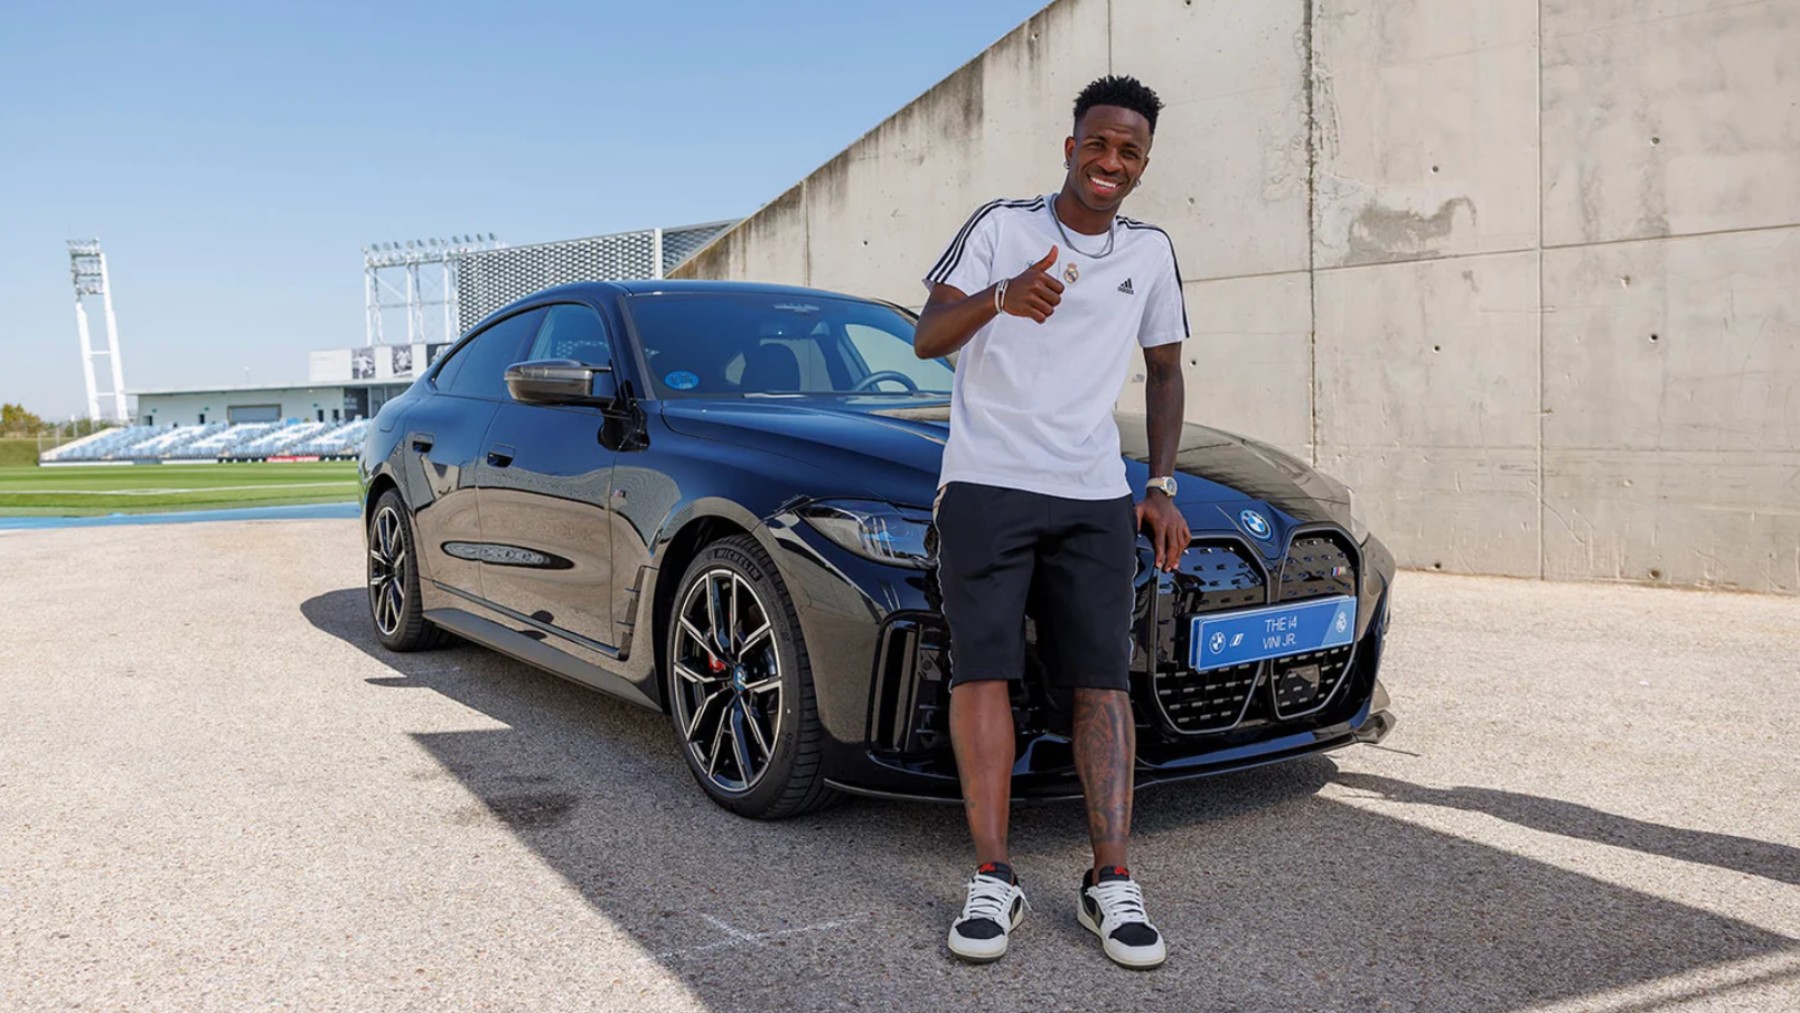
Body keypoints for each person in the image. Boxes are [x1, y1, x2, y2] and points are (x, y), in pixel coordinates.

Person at [912, 74, 1191, 969]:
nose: (1111, 161)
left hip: (1093, 493)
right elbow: (927, 335)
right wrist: (1001, 297)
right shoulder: (1002, 226)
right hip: (989, 483)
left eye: (1130, 151)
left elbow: (1166, 370)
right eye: (1098, 143)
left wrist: (1163, 485)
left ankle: (1111, 881)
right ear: (1070, 147)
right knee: (982, 670)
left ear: (1142, 166)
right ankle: (994, 876)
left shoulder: (1150, 253)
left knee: (1103, 680)